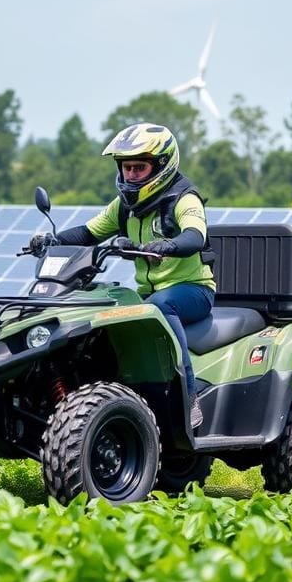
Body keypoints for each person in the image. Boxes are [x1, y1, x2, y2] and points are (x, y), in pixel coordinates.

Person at [31, 122, 215, 429]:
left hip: (192, 290)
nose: (130, 175)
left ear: (162, 165)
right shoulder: (125, 206)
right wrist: (53, 240)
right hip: (149, 292)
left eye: (138, 168)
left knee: (161, 307)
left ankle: (189, 396)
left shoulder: (184, 199)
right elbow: (88, 233)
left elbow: (195, 236)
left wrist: (168, 245)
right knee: (107, 307)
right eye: (127, 168)